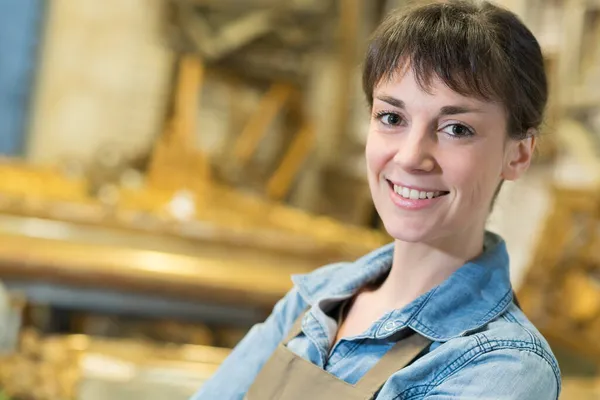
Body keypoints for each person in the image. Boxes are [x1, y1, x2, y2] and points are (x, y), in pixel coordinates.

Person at [191, 0, 561, 398]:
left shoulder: (506, 367)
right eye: (392, 118)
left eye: (456, 128)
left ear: (518, 154)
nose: (410, 157)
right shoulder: (316, 297)